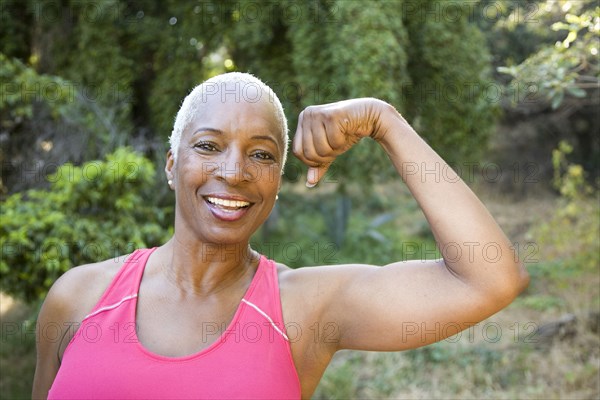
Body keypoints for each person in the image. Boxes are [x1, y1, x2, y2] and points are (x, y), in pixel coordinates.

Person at [32, 72, 529, 399]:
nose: (234, 170)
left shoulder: (301, 310)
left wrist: (385, 121)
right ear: (171, 165)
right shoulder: (79, 296)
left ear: (277, 182)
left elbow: (488, 280)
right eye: (208, 145)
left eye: (262, 154)